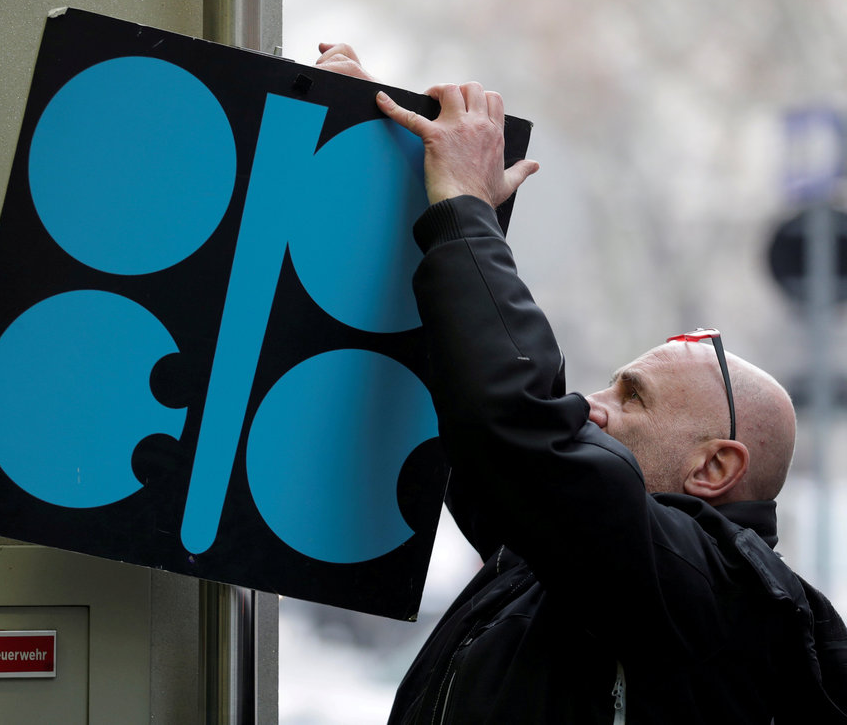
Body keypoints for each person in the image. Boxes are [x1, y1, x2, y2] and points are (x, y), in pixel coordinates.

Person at [316, 43, 847, 723]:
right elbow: (474, 403)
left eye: (633, 399)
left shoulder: (713, 585)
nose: (589, 408)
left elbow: (519, 424)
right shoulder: (566, 561)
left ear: (714, 464)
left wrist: (467, 209)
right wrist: (388, 165)